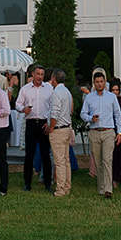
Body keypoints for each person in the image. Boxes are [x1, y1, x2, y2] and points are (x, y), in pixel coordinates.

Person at [81, 71, 121, 198]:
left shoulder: (111, 97)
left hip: (108, 131)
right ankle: (101, 188)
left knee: (107, 160)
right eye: (97, 82)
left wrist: (119, 132)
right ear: (94, 83)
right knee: (98, 162)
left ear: (105, 82)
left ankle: (108, 189)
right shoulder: (89, 97)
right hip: (94, 131)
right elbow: (83, 114)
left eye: (101, 82)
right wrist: (90, 118)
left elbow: (118, 114)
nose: (99, 84)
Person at [17, 65, 54, 191]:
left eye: (42, 74)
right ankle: (27, 183)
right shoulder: (25, 89)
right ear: (33, 74)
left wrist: (49, 122)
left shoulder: (48, 88)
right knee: (29, 154)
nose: (39, 77)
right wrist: (23, 109)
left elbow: (53, 105)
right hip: (31, 123)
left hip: (44, 123)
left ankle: (47, 183)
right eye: (38, 74)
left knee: (45, 154)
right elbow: (17, 104)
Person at [46, 69, 75, 197]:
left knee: (59, 161)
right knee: (66, 160)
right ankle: (67, 186)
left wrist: (51, 127)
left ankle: (61, 189)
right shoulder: (67, 92)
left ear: (54, 78)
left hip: (58, 129)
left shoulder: (57, 92)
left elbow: (55, 113)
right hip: (66, 128)